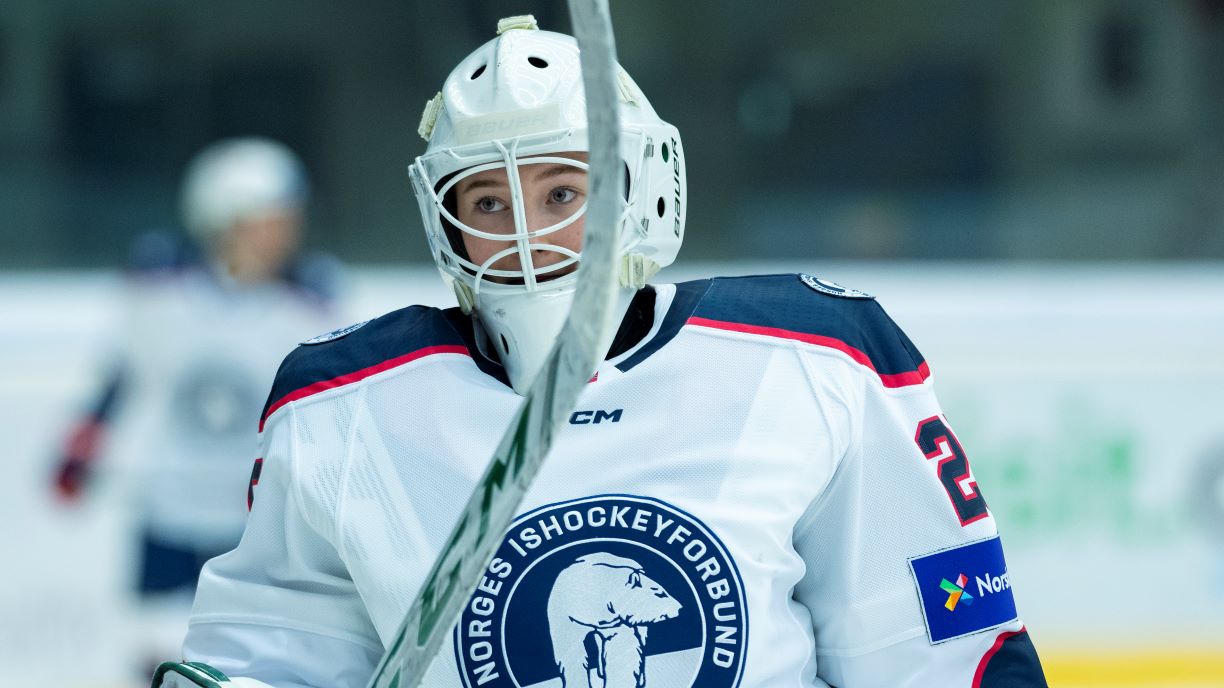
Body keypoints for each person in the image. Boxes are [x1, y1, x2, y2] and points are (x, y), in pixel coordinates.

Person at [154, 16, 1047, 688]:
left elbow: (940, 645)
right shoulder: (340, 406)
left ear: (642, 185)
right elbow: (272, 652)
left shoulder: (816, 358)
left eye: (563, 190)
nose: (533, 236)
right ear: (445, 220)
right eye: (490, 204)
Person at [52, 137, 344, 681]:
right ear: (227, 220)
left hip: (250, 516)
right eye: (272, 218)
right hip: (170, 502)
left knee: (244, 659)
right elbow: (121, 375)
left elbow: (325, 407)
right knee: (156, 653)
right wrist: (78, 451)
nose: (288, 230)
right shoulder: (161, 292)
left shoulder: (306, 303)